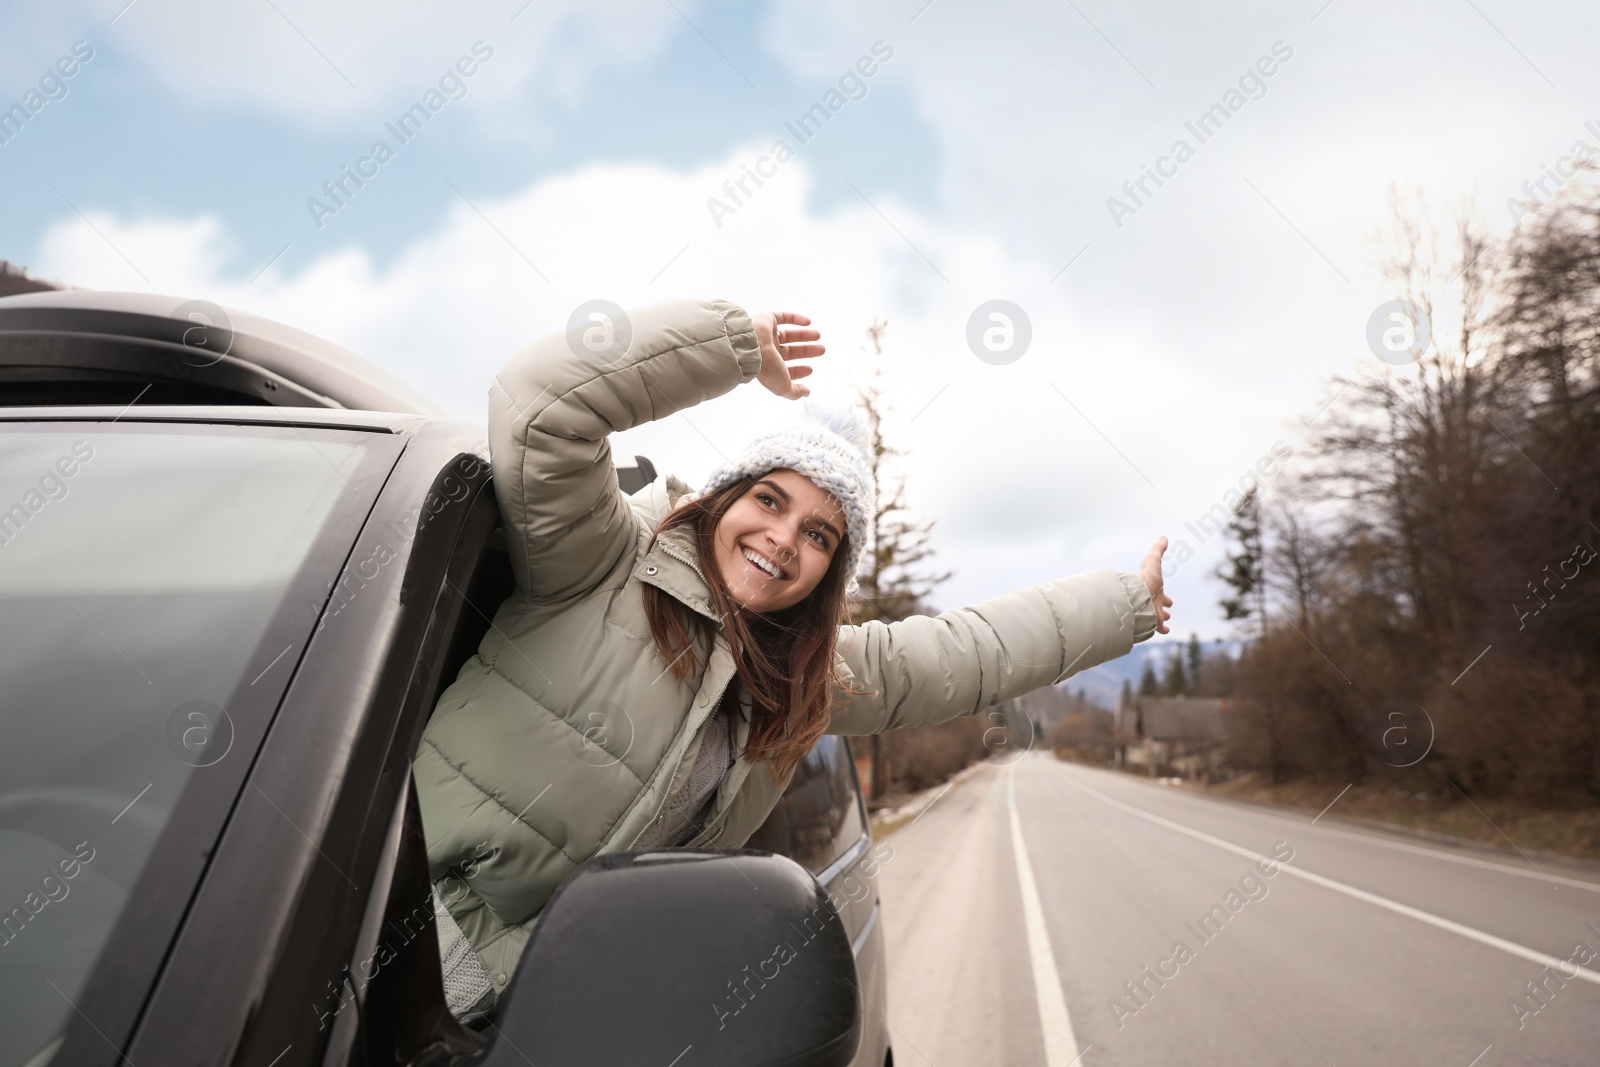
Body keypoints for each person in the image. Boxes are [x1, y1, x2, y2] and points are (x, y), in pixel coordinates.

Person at [412, 298, 1173, 1020]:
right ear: (722, 498)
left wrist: (1125, 605)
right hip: (375, 944)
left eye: (818, 535)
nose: (783, 538)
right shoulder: (601, 561)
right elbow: (538, 403)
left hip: (537, 1015)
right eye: (769, 500)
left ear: (828, 573)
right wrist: (733, 344)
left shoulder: (803, 683)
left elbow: (967, 653)